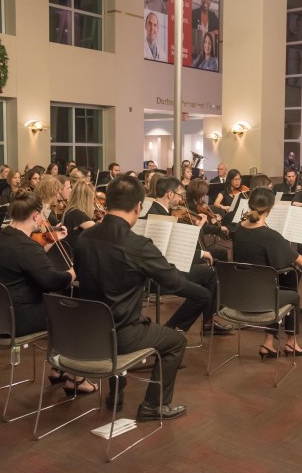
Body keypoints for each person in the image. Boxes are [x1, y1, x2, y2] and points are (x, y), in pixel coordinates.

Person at [73, 175, 188, 421]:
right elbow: (173, 282)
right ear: (139, 207)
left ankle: (116, 394)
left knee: (119, 313)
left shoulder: (84, 238)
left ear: (107, 202)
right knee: (176, 341)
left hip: (86, 330)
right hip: (121, 334)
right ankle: (153, 406)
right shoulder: (136, 244)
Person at [0, 191, 86, 393]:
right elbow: (51, 281)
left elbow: (28, 264)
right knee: (72, 312)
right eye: (41, 215)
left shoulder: (4, 237)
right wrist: (74, 272)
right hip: (17, 316)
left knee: (59, 308)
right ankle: (77, 379)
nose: (43, 219)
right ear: (35, 215)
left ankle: (58, 370)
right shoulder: (25, 246)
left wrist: (47, 245)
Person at [145, 177, 231, 334]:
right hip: (163, 273)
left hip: (164, 267)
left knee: (209, 274)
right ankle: (175, 327)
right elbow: (169, 250)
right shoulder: (160, 217)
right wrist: (200, 253)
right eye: (179, 195)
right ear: (170, 194)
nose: (180, 199)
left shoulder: (158, 211)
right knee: (210, 275)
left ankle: (206, 321)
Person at [232, 187, 302, 357]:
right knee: (292, 289)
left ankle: (268, 343)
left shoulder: (238, 229)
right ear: (270, 209)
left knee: (278, 282)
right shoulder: (270, 236)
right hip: (262, 299)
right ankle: (291, 342)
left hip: (238, 295)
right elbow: (301, 261)